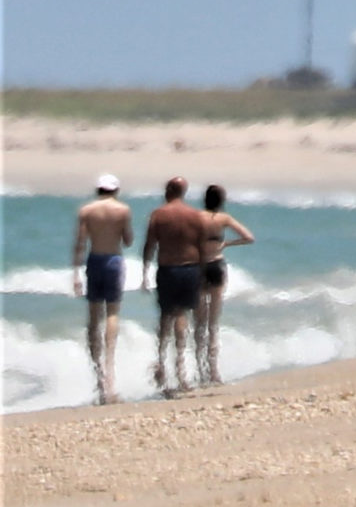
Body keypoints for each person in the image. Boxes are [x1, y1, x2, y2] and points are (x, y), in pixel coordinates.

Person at [141, 177, 207, 396]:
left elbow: (150, 244)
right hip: (190, 269)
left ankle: (162, 367)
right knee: (182, 316)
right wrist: (203, 272)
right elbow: (203, 246)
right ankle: (181, 371)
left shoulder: (159, 214)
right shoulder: (195, 215)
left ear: (169, 190)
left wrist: (144, 272)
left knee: (165, 317)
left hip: (168, 269)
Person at [71, 174, 134, 405]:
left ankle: (98, 372)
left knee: (93, 316)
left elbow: (80, 243)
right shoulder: (123, 210)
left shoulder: (86, 210)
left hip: (94, 260)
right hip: (114, 261)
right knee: (113, 313)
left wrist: (76, 274)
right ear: (115, 190)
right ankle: (110, 370)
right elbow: (128, 241)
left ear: (98, 189)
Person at [194, 184, 255, 386]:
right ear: (221, 201)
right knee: (213, 323)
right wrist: (227, 243)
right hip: (217, 266)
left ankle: (200, 370)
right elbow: (248, 237)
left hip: (200, 267)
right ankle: (214, 371)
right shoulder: (224, 219)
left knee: (199, 321)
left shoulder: (196, 217)